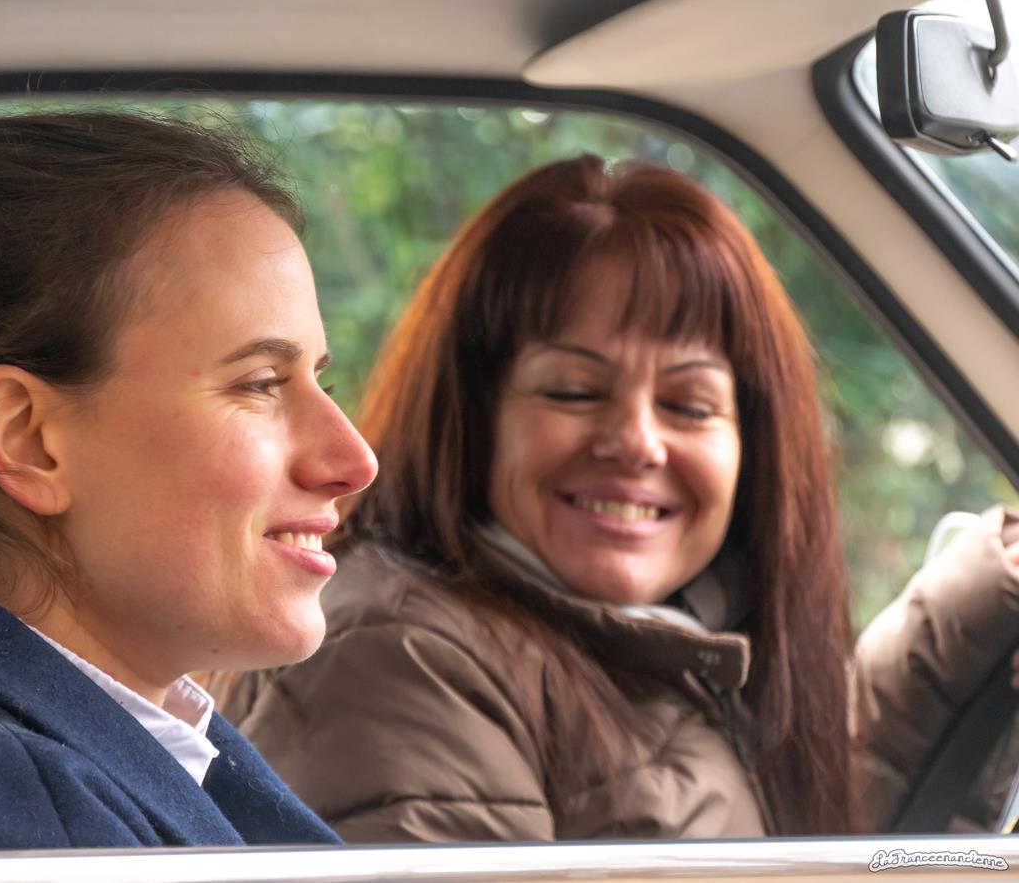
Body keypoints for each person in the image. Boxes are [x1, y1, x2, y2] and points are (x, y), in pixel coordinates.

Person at [223, 156, 1019, 841]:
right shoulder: (402, 660)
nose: (637, 442)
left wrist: (993, 592)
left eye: (690, 405)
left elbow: (818, 825)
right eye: (573, 391)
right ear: (472, 417)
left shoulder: (679, 645)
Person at [0, 112, 377, 853]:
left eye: (320, 382)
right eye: (260, 383)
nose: (354, 460)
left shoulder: (53, 757)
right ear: (27, 438)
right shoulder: (8, 807)